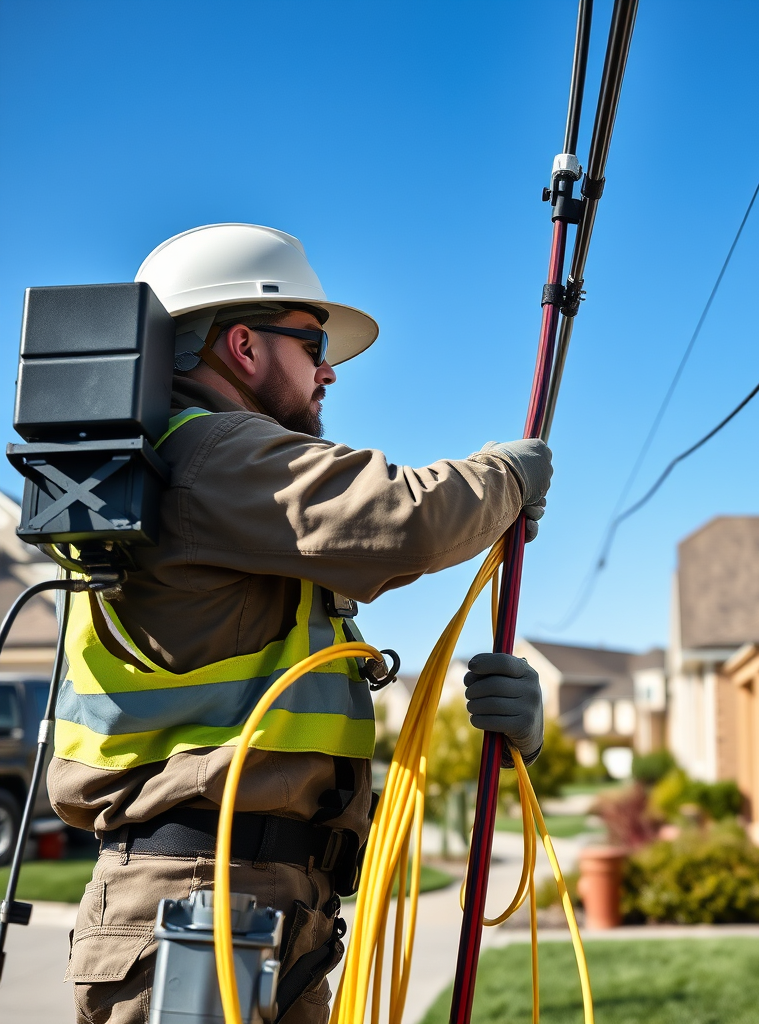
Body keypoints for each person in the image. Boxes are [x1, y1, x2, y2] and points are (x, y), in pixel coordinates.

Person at [49, 223, 552, 1024]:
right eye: (312, 342)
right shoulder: (211, 451)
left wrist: (513, 745)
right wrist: (507, 476)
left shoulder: (198, 477)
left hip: (254, 902)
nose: (328, 371)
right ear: (241, 345)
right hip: (202, 901)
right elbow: (403, 521)